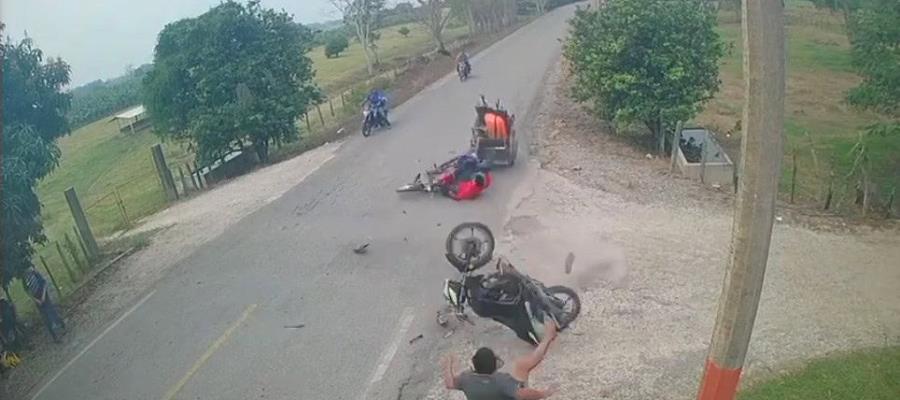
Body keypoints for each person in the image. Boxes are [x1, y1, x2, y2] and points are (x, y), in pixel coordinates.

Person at [443, 318, 559, 400]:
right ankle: (548, 337)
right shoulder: (502, 381)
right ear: (495, 365)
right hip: (510, 390)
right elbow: (523, 394)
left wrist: (448, 364)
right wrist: (544, 394)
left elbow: (449, 384)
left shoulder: (466, 379)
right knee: (522, 365)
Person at [23, 268, 66, 342]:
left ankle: (61, 325)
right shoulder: (24, 279)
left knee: (51, 312)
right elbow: (28, 292)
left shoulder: (35, 274)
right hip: (37, 300)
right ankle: (55, 336)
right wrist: (36, 300)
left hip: (44, 295)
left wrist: (43, 296)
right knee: (45, 317)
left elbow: (44, 283)